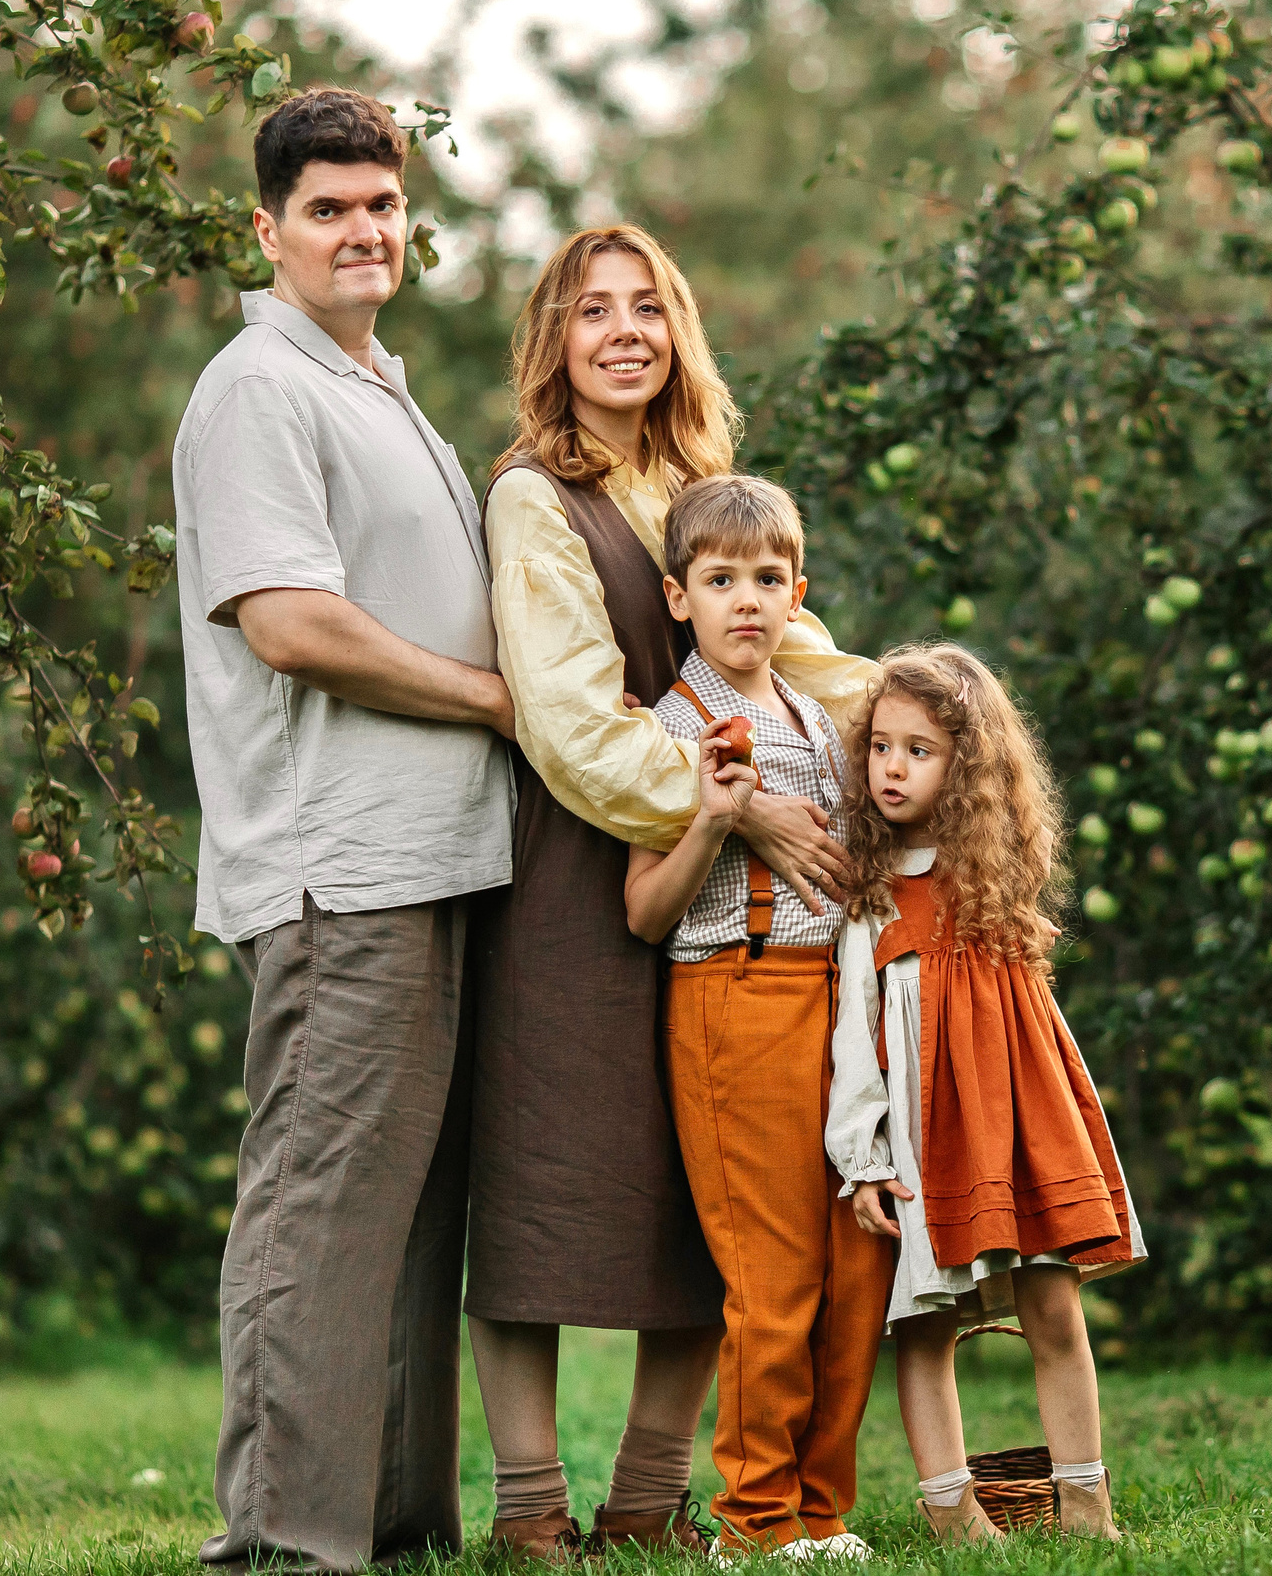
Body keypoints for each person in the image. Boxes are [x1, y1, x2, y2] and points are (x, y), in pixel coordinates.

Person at [469, 224, 874, 1561]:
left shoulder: (704, 486)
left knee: (708, 1198)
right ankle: (531, 1505)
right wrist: (748, 808)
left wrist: (923, 727)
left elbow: (805, 660)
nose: (626, 329)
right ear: (556, 339)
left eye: (650, 306)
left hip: (720, 886)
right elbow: (572, 717)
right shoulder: (538, 492)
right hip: (583, 857)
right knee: (543, 1183)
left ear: (681, 330)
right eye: (595, 310)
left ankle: (648, 1496)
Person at [174, 87, 514, 1571]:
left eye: (379, 204)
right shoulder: (261, 386)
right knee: (320, 1206)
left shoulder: (376, 381)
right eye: (328, 209)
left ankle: (393, 1523)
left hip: (437, 855)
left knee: (408, 1215)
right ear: (270, 230)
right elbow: (295, 623)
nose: (362, 229)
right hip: (339, 866)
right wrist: (497, 700)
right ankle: (286, 1543)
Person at [824, 644, 1147, 1545]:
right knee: (924, 1322)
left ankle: (1086, 1503)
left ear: (967, 767)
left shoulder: (997, 873)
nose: (891, 765)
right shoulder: (872, 889)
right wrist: (864, 1158)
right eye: (881, 745)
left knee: (1053, 1301)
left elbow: (1020, 1022)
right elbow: (855, 1032)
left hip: (1017, 1117)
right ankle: (951, 1509)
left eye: (919, 750)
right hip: (928, 1129)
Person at [624, 475, 891, 1558]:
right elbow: (644, 912)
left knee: (857, 1268)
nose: (747, 599)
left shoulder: (827, 725)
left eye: (767, 579)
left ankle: (822, 1514)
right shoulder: (662, 730)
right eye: (720, 579)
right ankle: (753, 1517)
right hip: (733, 997)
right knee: (773, 1276)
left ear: (799, 596)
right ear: (677, 597)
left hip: (844, 1010)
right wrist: (713, 821)